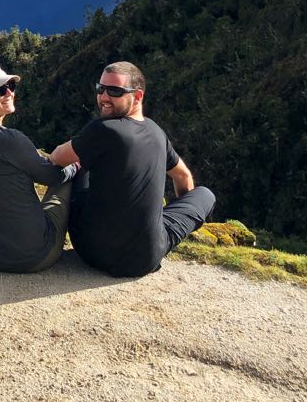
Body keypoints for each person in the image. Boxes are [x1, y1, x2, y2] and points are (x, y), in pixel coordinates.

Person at [49, 61, 215, 277]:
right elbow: (182, 176)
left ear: (137, 96)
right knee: (205, 194)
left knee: (78, 167)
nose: (104, 97)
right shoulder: (157, 133)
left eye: (114, 91)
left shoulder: (103, 129)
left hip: (91, 250)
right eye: (101, 89)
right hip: (144, 258)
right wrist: (165, 213)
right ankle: (154, 228)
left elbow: (56, 158)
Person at [0, 63, 81, 273]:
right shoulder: (10, 139)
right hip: (31, 255)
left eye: (11, 86)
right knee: (69, 179)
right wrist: (75, 166)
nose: (9, 93)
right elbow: (52, 176)